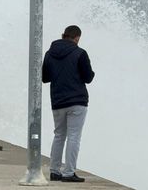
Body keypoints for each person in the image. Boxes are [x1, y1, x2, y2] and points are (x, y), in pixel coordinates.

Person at [42, 25, 95, 183]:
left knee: (59, 135)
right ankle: (69, 172)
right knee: (73, 137)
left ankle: (54, 171)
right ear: (77, 37)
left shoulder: (49, 53)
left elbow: (45, 78)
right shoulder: (80, 53)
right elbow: (88, 78)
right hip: (77, 101)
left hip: (58, 101)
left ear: (63, 35)